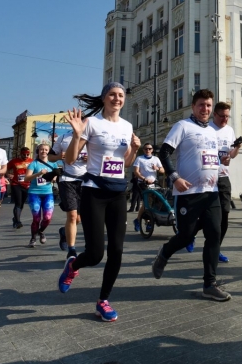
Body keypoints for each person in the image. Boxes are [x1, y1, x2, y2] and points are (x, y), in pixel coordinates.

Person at [57, 82, 140, 323]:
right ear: (104, 98)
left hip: (117, 193)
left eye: (121, 95)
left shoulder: (127, 126)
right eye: (112, 94)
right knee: (95, 255)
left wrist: (134, 150)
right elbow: (70, 159)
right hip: (93, 192)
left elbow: (125, 163)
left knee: (117, 251)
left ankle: (103, 300)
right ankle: (73, 266)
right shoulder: (92, 123)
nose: (117, 98)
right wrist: (76, 135)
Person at [150, 89, 231, 302]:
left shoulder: (212, 131)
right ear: (193, 106)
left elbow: (210, 158)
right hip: (188, 193)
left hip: (211, 193)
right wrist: (174, 177)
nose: (205, 109)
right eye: (201, 105)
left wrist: (222, 161)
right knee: (186, 236)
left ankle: (209, 284)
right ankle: (165, 252)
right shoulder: (183, 126)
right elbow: (164, 152)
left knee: (214, 234)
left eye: (208, 105)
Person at [192, 102, 241, 261]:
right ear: (215, 114)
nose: (225, 119)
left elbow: (231, 155)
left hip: (223, 177)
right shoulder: (207, 129)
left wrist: (236, 149)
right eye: (222, 116)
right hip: (207, 177)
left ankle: (216, 249)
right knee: (205, 214)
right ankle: (189, 234)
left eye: (227, 116)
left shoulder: (229, 130)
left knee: (224, 215)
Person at [51, 130, 87, 258]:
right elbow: (50, 157)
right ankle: (71, 250)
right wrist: (58, 156)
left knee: (78, 218)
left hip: (85, 181)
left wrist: (90, 158)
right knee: (72, 216)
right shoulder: (63, 138)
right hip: (67, 180)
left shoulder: (91, 137)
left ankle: (64, 232)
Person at [24, 143, 60, 247]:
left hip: (47, 193)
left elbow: (57, 173)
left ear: (49, 151)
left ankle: (40, 231)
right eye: (41, 149)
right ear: (38, 151)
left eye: (46, 149)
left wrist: (54, 178)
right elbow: (26, 178)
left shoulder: (53, 163)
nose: (43, 151)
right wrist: (39, 173)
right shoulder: (33, 164)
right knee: (36, 218)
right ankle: (33, 238)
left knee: (47, 218)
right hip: (34, 193)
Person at [131, 143, 164, 233]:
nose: (147, 150)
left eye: (149, 149)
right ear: (143, 150)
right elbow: (136, 171)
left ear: (152, 150)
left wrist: (157, 168)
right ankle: (148, 222)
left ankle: (138, 220)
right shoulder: (139, 158)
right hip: (143, 183)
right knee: (147, 203)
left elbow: (163, 170)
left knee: (152, 203)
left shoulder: (156, 159)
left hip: (154, 184)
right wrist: (144, 179)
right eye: (146, 149)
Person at [6, 146, 33, 228]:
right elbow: (5, 168)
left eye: (27, 154)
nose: (26, 156)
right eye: (24, 154)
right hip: (16, 184)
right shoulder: (14, 161)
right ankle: (18, 221)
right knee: (18, 203)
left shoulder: (32, 161)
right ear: (20, 154)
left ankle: (15, 218)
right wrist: (8, 174)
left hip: (27, 185)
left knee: (21, 203)